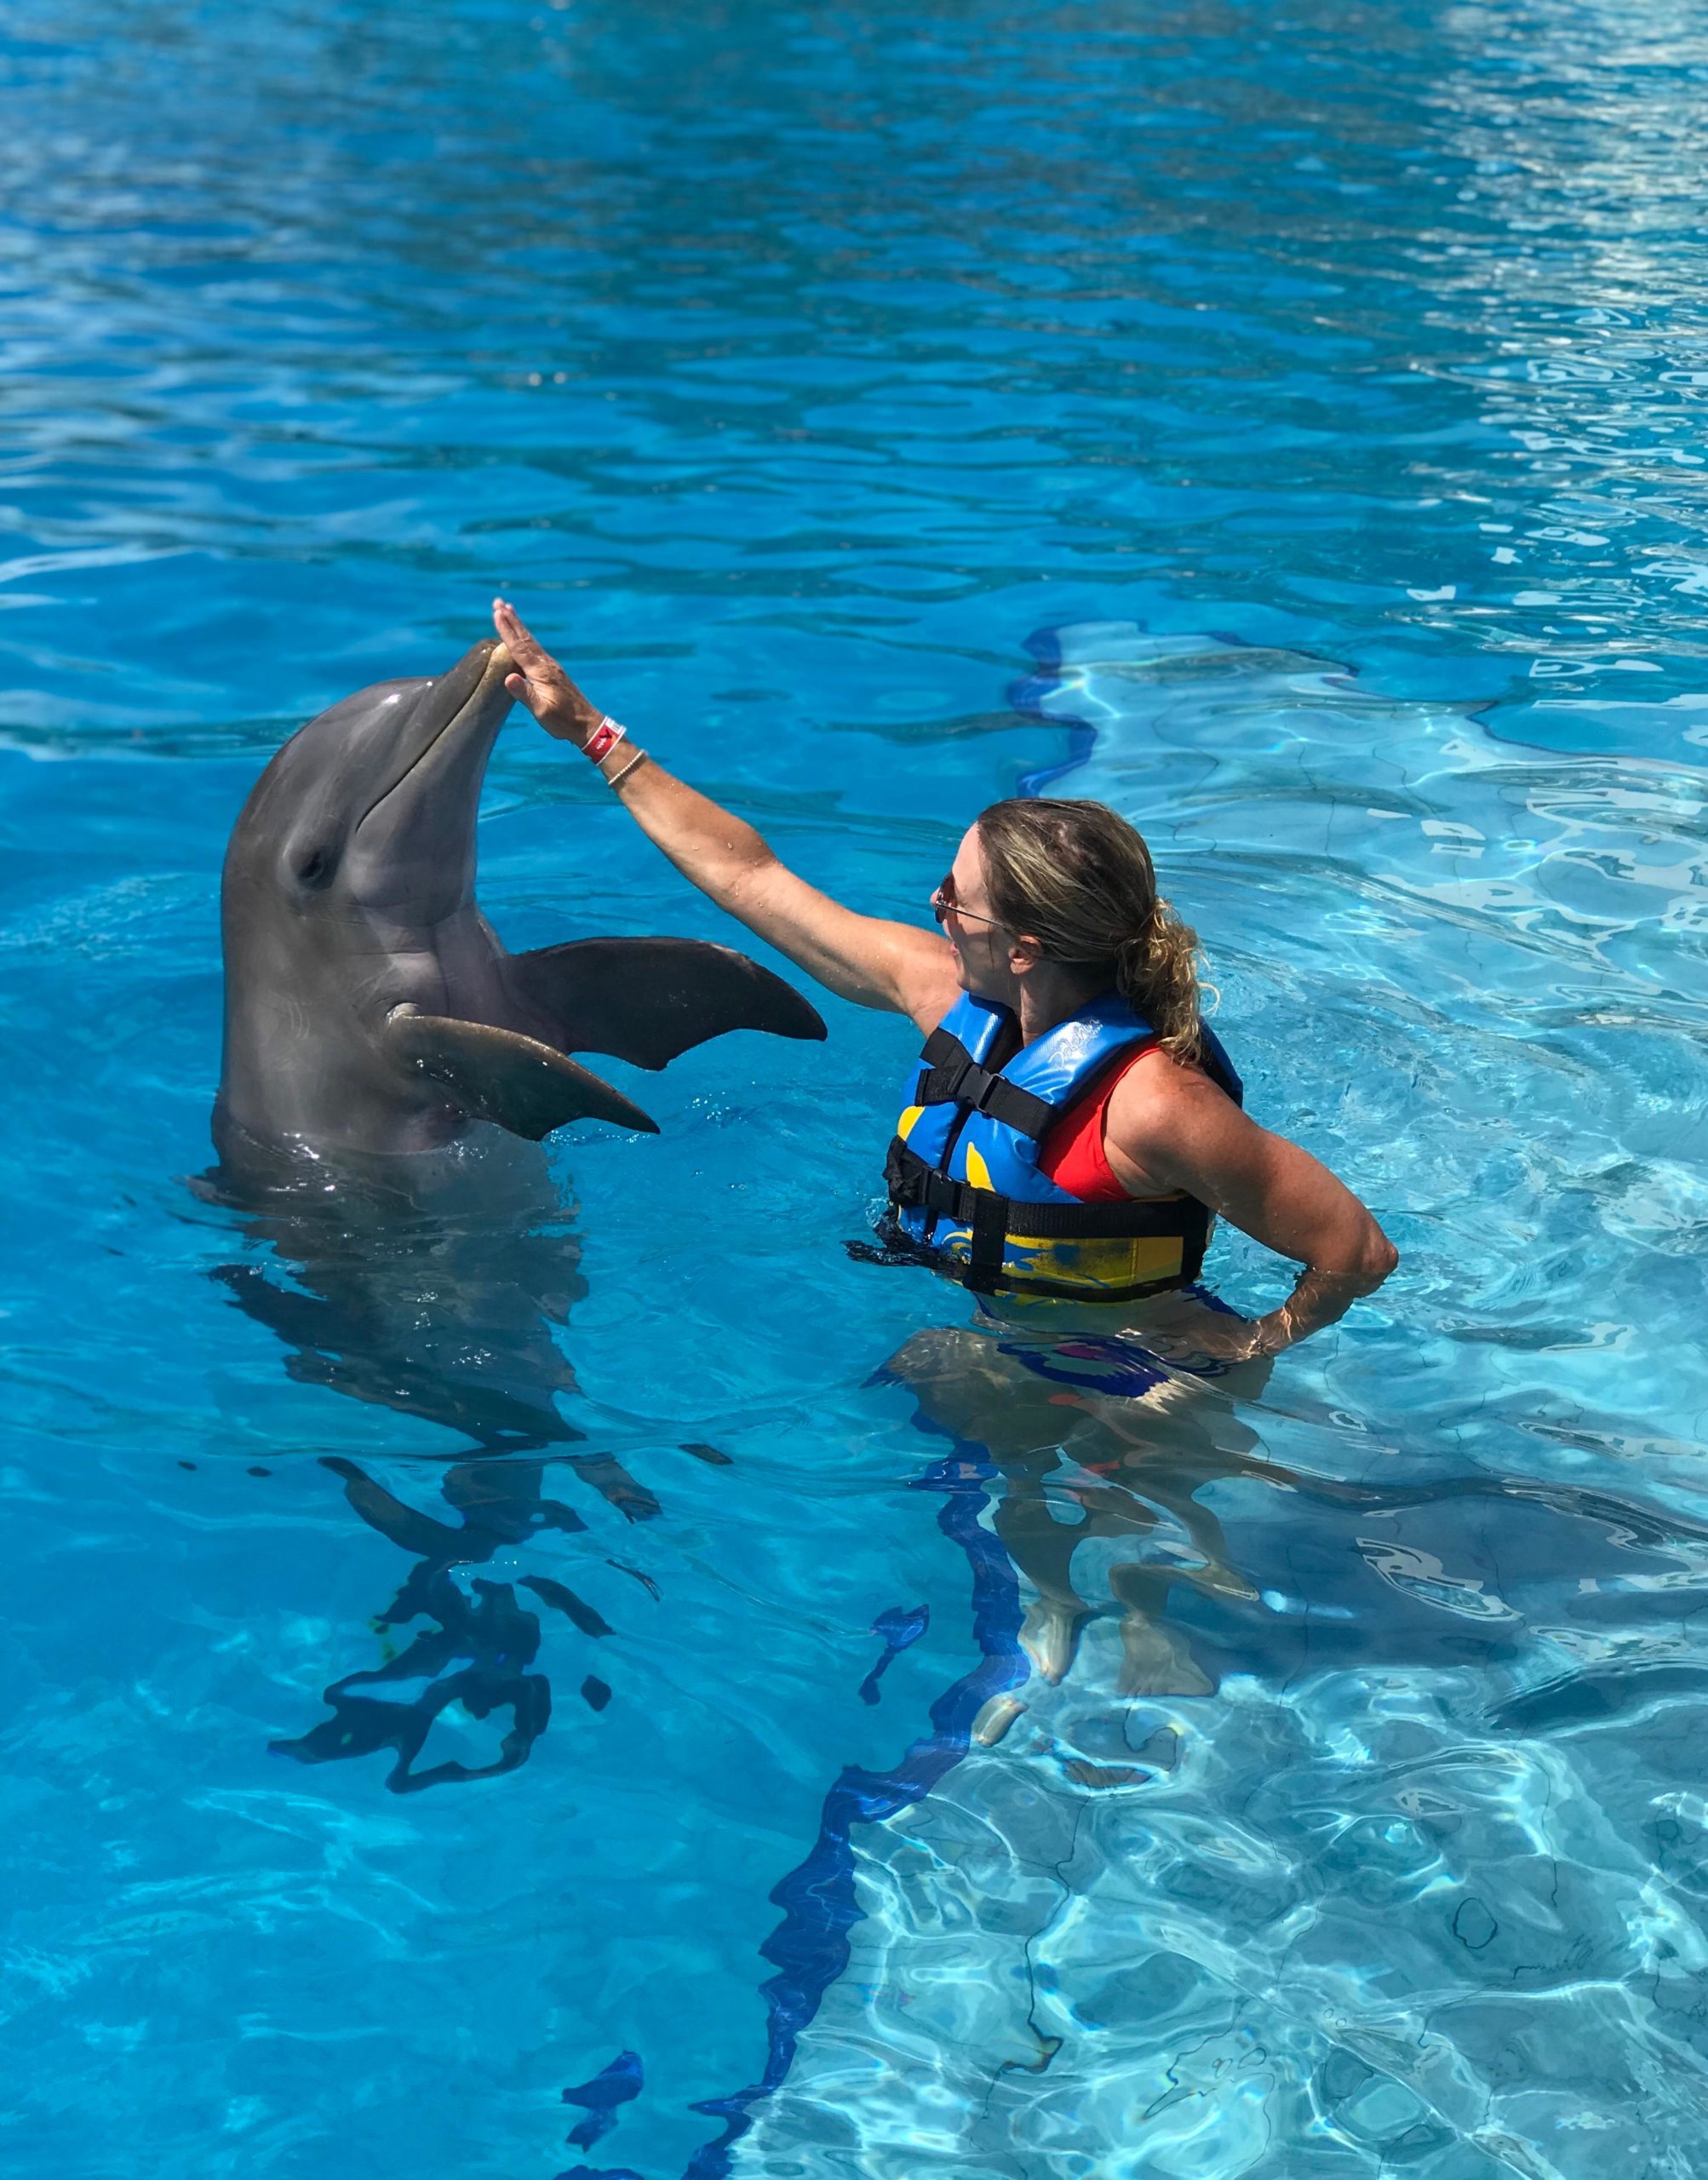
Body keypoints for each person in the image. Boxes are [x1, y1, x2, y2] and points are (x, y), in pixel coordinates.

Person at [490, 599, 1397, 1361]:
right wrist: (591, 734)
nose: (931, 908)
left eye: (954, 901)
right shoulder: (948, 993)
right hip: (1002, 1345)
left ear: (1027, 947)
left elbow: (1354, 1249)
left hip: (1141, 1383)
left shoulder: (1155, 1105)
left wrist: (1252, 1344)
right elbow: (753, 879)